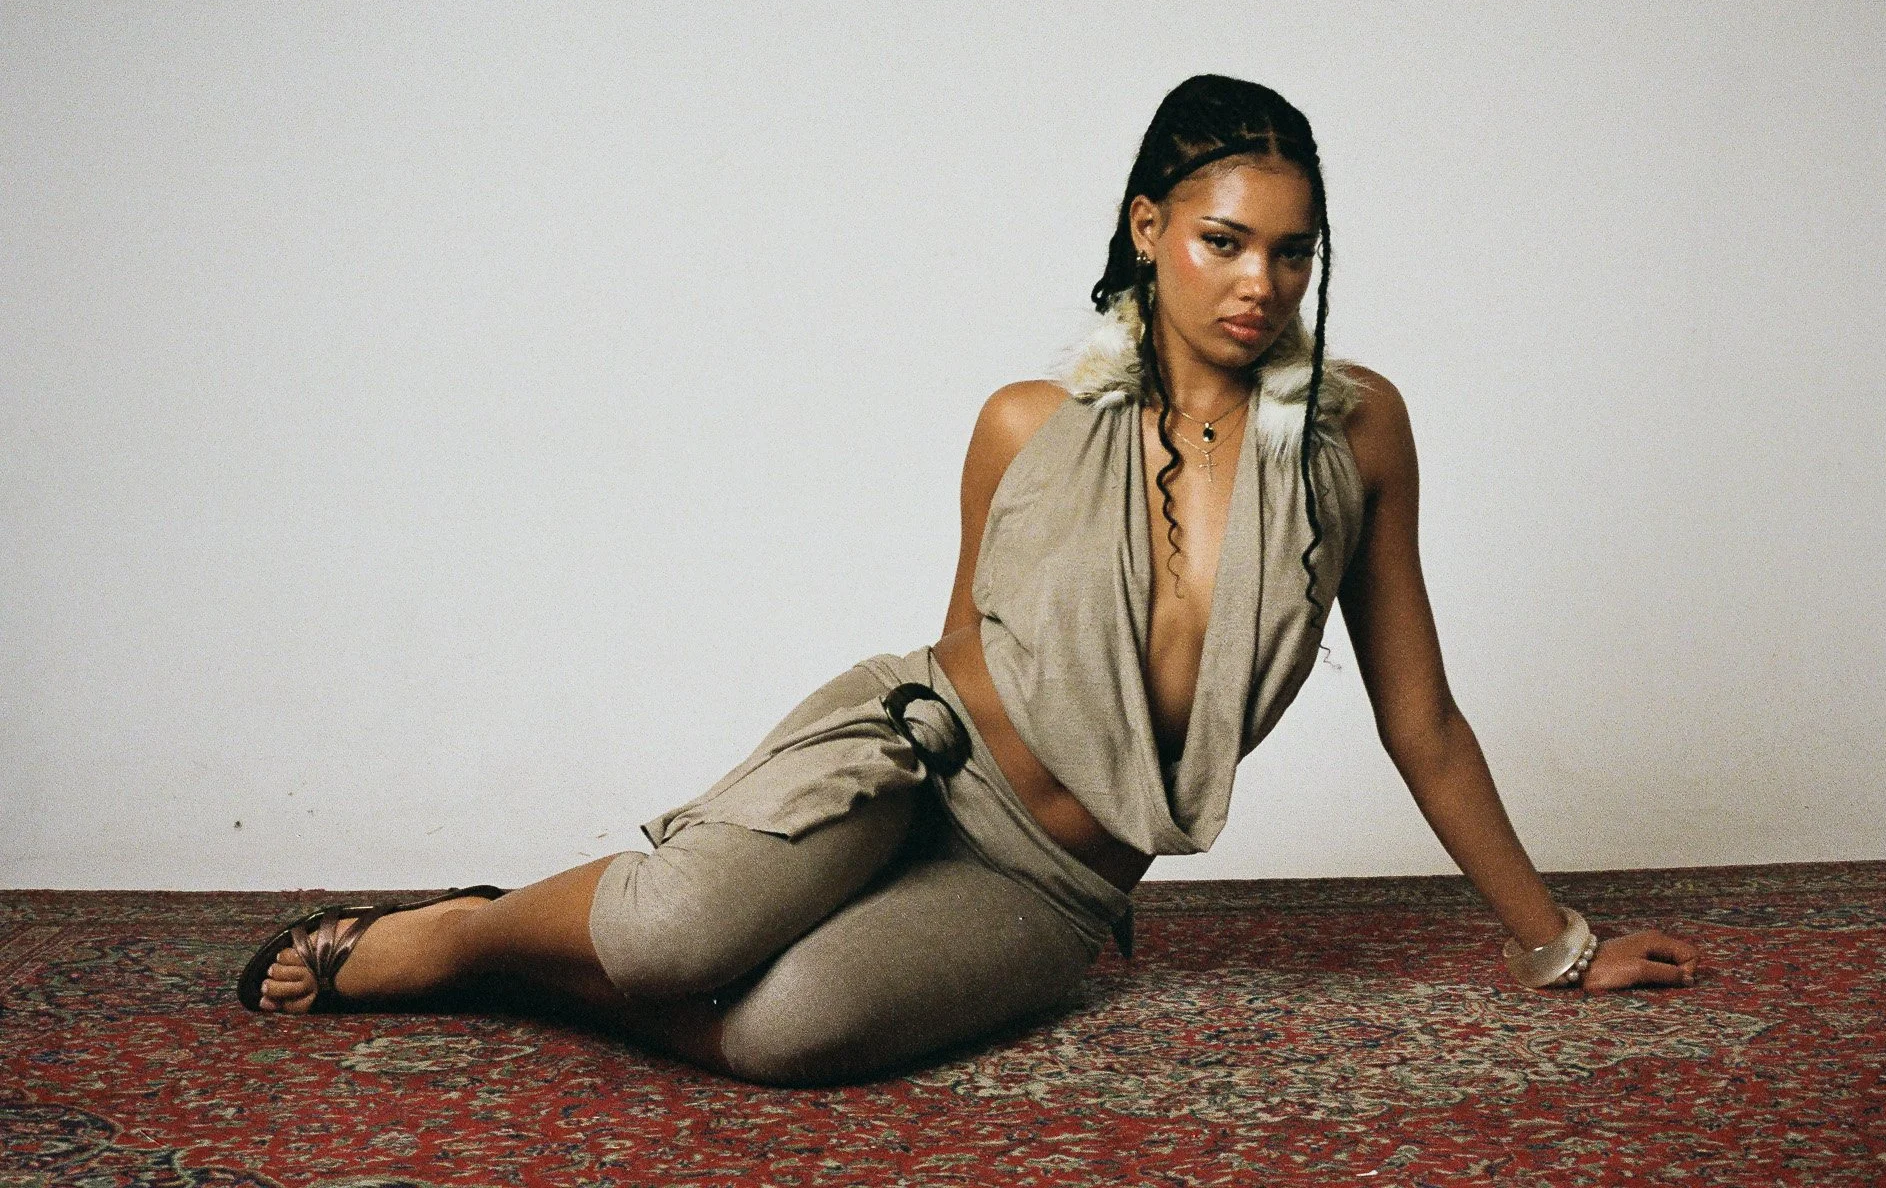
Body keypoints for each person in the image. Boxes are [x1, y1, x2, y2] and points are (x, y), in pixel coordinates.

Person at [239, 74, 1700, 1085]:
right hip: (919, 765)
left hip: (1059, 884)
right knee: (675, 935)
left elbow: (1421, 716)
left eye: (1294, 253)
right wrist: (854, 823)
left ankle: (523, 985)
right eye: (1224, 241)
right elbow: (957, 654)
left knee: (782, 1037)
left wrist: (1558, 948)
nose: (1262, 281)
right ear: (1149, 233)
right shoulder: (1026, 425)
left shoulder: (1357, 435)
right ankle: (456, 936)